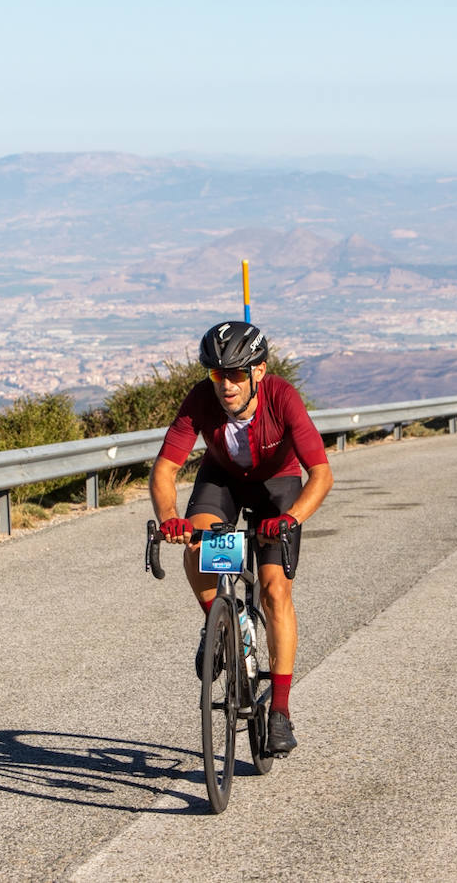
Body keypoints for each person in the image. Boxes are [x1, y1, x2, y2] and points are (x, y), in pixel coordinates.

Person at [150, 320, 333, 755]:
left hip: (278, 486)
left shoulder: (282, 398)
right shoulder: (200, 400)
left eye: (235, 374)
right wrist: (171, 518)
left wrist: (290, 518)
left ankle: (281, 711)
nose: (226, 385)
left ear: (259, 371)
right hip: (224, 481)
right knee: (197, 546)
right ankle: (217, 622)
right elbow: (165, 470)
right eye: (217, 374)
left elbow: (321, 475)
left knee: (274, 590)